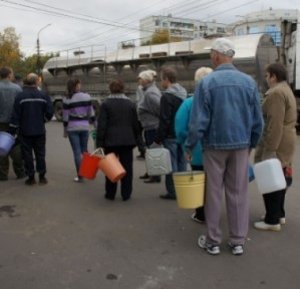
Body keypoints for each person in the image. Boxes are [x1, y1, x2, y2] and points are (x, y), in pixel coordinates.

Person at [186, 38, 263, 256]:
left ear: (217, 55)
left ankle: (213, 241)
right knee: (238, 192)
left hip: (214, 146)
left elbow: (198, 121)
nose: (211, 56)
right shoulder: (249, 83)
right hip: (241, 145)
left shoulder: (206, 83)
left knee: (213, 193)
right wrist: (252, 143)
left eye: (211, 53)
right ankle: (238, 241)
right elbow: (258, 120)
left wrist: (190, 145)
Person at [253, 63, 297, 231]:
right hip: (286, 140)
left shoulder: (276, 93)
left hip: (277, 142)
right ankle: (279, 214)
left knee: (270, 178)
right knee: (281, 177)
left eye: (267, 75)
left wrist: (269, 150)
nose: (266, 79)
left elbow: (274, 124)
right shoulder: (286, 89)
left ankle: (272, 220)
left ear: (273, 76)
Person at [175, 67, 213, 222]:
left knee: (199, 183)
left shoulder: (189, 103)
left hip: (196, 150)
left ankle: (201, 214)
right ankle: (213, 212)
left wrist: (185, 144)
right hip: (217, 150)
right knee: (214, 184)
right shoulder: (218, 102)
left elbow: (180, 127)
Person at [96, 79, 139, 201]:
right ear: (123, 89)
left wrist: (99, 144)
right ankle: (126, 194)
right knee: (127, 169)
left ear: (110, 89)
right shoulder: (130, 104)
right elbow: (135, 124)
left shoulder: (106, 104)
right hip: (127, 141)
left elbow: (102, 126)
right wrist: (137, 139)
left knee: (111, 168)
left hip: (110, 141)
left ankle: (110, 193)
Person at [9, 73, 54, 185]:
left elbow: (16, 115)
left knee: (27, 154)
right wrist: (42, 120)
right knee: (40, 154)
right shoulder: (43, 95)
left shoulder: (20, 96)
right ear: (36, 82)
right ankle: (42, 177)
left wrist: (12, 130)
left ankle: (31, 178)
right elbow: (49, 112)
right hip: (39, 130)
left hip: (25, 131)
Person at [155, 66, 187, 200]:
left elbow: (165, 119)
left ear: (167, 80)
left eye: (162, 79)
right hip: (182, 133)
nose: (161, 82)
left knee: (171, 164)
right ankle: (183, 189)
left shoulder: (167, 97)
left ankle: (172, 191)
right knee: (182, 163)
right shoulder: (184, 94)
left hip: (170, 134)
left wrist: (159, 137)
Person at [62, 79, 96, 182]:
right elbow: (91, 113)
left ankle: (80, 176)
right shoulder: (87, 96)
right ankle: (88, 171)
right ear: (77, 85)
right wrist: (95, 125)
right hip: (84, 126)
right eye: (79, 84)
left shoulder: (67, 99)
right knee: (84, 150)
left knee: (77, 152)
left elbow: (65, 117)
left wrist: (65, 131)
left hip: (72, 128)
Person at [0, 67, 25, 181]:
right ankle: (19, 171)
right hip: (14, 122)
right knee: (16, 147)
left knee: (1, 147)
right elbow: (21, 106)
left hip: (1, 122)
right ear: (9, 75)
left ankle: (2, 174)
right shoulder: (17, 89)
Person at [137, 70, 162, 183]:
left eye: (140, 78)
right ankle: (151, 172)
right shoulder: (149, 91)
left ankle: (155, 174)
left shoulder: (151, 93)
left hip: (152, 125)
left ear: (146, 80)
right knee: (150, 150)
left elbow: (159, 108)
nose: (139, 80)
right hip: (149, 125)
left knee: (153, 150)